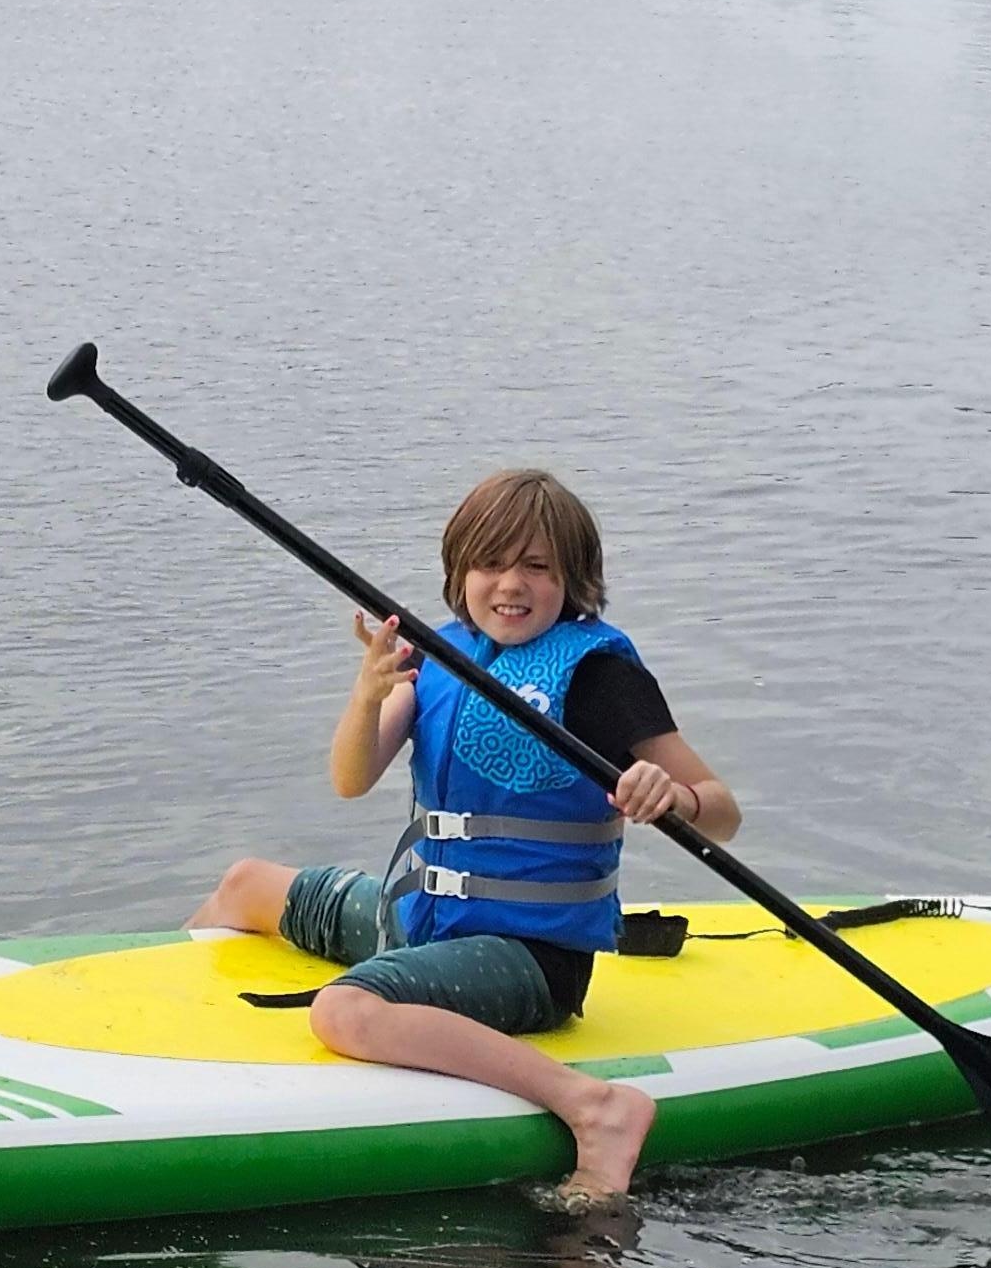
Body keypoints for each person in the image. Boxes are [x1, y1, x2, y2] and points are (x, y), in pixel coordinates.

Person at [192, 464, 740, 1199]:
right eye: (490, 563)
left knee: (345, 1010)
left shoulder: (599, 677)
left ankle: (593, 1107)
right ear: (460, 571)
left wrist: (671, 795)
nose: (510, 584)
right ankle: (147, 1037)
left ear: (573, 580)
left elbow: (723, 810)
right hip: (418, 920)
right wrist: (367, 693)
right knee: (243, 885)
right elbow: (351, 779)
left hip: (530, 958)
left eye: (537, 568)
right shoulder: (439, 656)